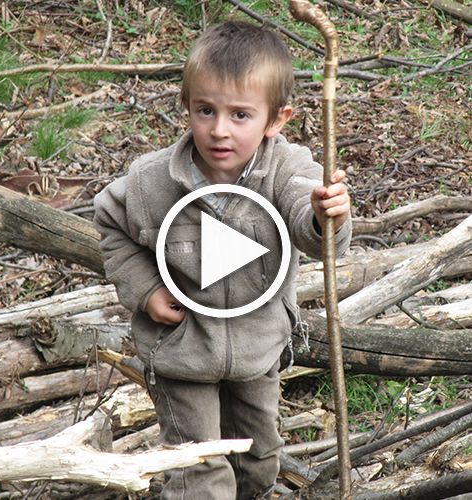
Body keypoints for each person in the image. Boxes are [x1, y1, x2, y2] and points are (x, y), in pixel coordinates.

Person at [93, 20, 351, 500]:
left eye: (240, 115)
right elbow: (109, 222)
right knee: (199, 472)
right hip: (180, 351)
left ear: (276, 119)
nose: (218, 130)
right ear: (186, 106)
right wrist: (145, 290)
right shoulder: (152, 181)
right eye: (205, 110)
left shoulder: (289, 170)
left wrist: (324, 216)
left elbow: (312, 229)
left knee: (257, 465)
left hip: (257, 350)